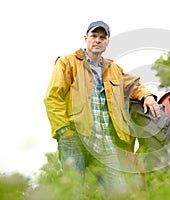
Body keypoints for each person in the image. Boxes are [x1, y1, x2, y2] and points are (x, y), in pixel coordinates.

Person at [43, 20, 161, 196]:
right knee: (74, 193)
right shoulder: (67, 62)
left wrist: (147, 96)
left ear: (107, 42)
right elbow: (53, 98)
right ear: (86, 38)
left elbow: (134, 86)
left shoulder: (113, 69)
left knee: (120, 193)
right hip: (76, 139)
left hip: (106, 143)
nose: (97, 40)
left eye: (102, 37)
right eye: (94, 36)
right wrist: (64, 131)